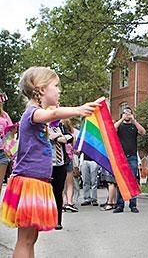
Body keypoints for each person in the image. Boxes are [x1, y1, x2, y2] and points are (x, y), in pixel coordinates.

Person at [1, 66, 97, 258]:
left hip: (38, 182)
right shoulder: (32, 113)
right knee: (25, 239)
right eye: (56, 86)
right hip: (29, 182)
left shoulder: (37, 115)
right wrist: (78, 110)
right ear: (42, 89)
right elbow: (52, 114)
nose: (59, 90)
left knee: (31, 238)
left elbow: (52, 115)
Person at [113, 107, 146, 213]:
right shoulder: (120, 125)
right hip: (121, 156)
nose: (127, 115)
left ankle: (133, 205)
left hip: (132, 156)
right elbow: (112, 129)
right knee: (121, 181)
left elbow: (143, 132)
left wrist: (134, 120)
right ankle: (120, 205)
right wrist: (121, 119)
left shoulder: (133, 126)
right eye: (125, 113)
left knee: (132, 181)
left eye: (129, 113)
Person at [49, 116, 73, 230]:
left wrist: (57, 136)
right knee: (47, 193)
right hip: (47, 165)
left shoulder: (61, 126)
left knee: (58, 193)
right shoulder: (44, 126)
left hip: (61, 164)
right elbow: (44, 138)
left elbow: (69, 137)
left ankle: (58, 221)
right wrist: (54, 137)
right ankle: (47, 218)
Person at [61, 119, 79, 212]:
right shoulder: (72, 136)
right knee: (70, 184)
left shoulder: (59, 136)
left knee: (60, 184)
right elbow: (76, 151)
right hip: (69, 160)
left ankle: (63, 203)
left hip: (59, 161)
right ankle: (70, 202)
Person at [0, 102, 13, 194]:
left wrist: (7, 145)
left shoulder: (4, 115)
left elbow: (11, 131)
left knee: (0, 182)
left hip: (2, 152)